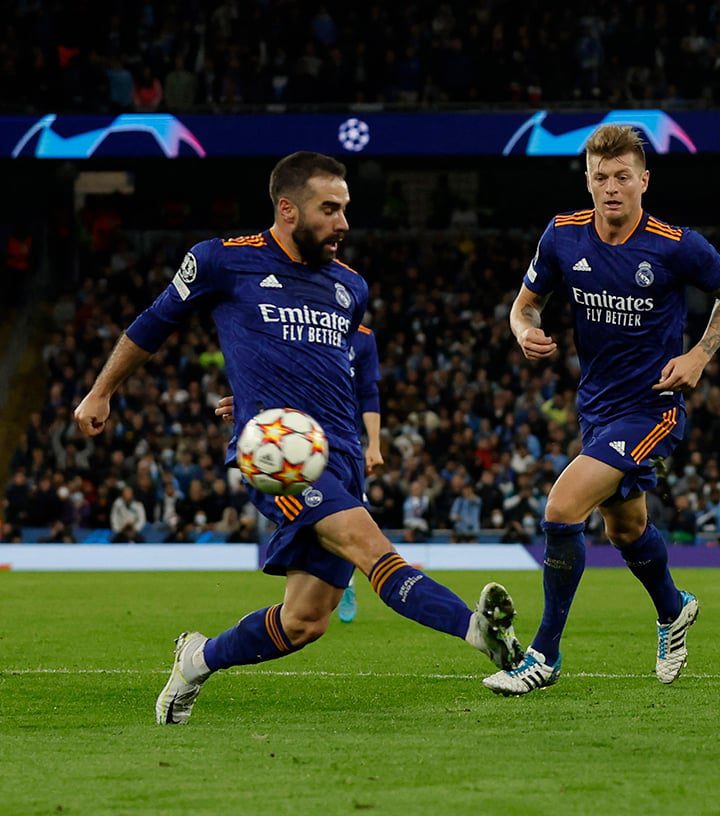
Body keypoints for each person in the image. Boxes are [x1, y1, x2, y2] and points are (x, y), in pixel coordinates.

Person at [74, 151, 522, 725]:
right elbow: (154, 322)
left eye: (345, 209)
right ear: (287, 209)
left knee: (304, 621)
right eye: (329, 210)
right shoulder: (220, 261)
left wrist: (257, 386)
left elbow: (332, 364)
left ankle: (196, 659)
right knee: (371, 548)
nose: (343, 223)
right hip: (284, 462)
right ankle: (476, 630)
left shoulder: (350, 286)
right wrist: (101, 390)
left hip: (344, 459)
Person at [485, 124, 720, 695]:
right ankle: (674, 609)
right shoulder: (561, 236)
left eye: (622, 177)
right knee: (627, 529)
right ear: (587, 180)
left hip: (653, 409)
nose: (611, 187)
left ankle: (544, 656)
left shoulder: (675, 244)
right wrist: (523, 331)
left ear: (643, 182)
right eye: (600, 177)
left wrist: (700, 354)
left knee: (562, 507)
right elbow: (524, 306)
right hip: (597, 410)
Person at [213, 319, 382, 623]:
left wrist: (374, 444)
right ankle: (338, 583)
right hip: (298, 445)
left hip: (345, 446)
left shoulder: (364, 338)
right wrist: (251, 409)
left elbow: (368, 393)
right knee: (327, 518)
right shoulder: (296, 323)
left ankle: (346, 581)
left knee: (350, 517)